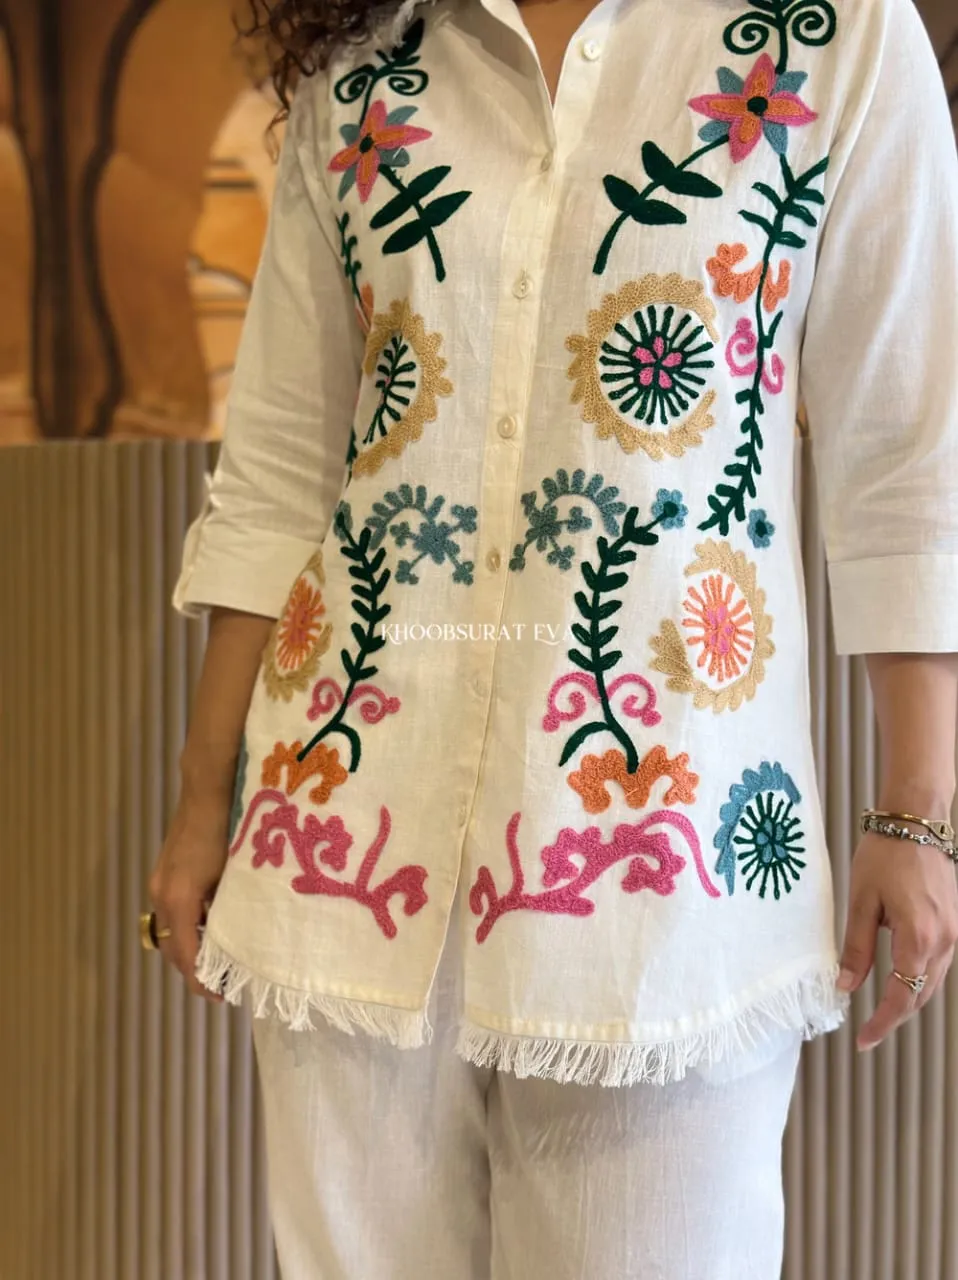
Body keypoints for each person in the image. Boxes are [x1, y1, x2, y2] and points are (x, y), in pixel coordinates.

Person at [147, 0, 958, 1274]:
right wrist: (205, 801)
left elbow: (904, 448)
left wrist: (916, 808)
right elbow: (279, 470)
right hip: (343, 847)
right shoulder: (364, 67)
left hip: (664, 886)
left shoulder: (830, 33)